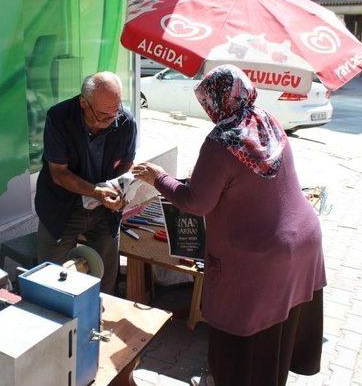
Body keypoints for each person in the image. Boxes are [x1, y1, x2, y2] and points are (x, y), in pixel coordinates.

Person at [133, 65, 326, 386]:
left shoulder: (222, 140)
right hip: (303, 241)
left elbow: (196, 203)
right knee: (279, 324)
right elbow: (242, 182)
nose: (207, 111)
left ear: (216, 100)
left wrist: (158, 178)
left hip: (261, 255)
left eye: (206, 103)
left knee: (243, 334)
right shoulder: (265, 119)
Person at [35, 72, 137, 294]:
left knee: (105, 276)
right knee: (50, 278)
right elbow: (59, 174)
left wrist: (119, 189)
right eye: (102, 116)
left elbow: (127, 162)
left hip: (104, 211)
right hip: (62, 207)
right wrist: (97, 192)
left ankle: (100, 316)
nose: (109, 121)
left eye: (114, 113)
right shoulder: (59, 117)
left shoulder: (125, 122)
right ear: (83, 102)